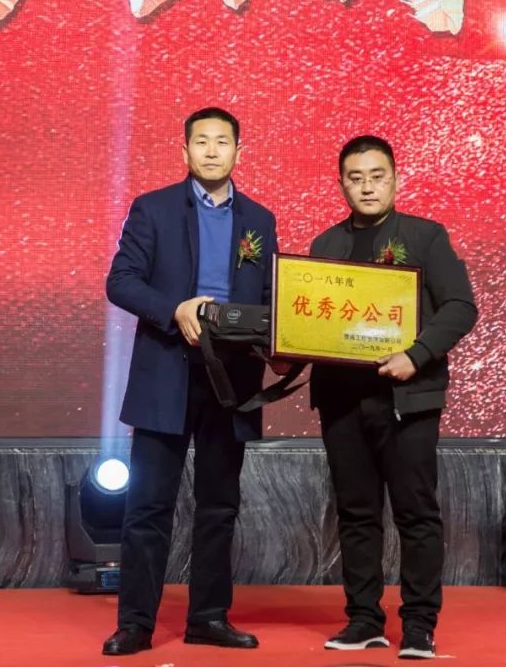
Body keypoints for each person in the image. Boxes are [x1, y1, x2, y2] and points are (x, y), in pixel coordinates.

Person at [101, 107, 278, 656]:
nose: (211, 151)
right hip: (167, 373)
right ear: (184, 151)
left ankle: (208, 617)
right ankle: (135, 623)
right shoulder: (152, 209)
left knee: (219, 506)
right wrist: (173, 309)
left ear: (239, 152)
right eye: (201, 141)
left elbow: (272, 297)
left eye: (222, 142)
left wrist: (282, 344)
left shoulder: (260, 219)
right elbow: (121, 281)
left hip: (233, 379)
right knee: (148, 506)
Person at [310, 135, 477, 660]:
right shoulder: (324, 246)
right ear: (342, 184)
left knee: (415, 513)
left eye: (377, 176)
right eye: (355, 178)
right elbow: (309, 318)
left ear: (396, 180)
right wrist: (286, 350)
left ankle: (420, 624)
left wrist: (417, 354)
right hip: (342, 401)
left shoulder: (425, 236)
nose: (367, 187)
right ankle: (363, 619)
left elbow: (460, 306)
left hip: (407, 399)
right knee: (356, 514)